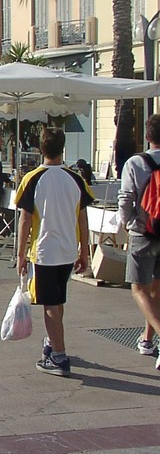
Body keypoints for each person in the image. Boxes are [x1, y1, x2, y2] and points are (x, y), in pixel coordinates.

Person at [16, 127, 93, 377]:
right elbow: (82, 218)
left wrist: (20, 254)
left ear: (41, 148)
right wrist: (84, 251)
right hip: (67, 249)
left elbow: (25, 220)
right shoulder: (76, 179)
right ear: (63, 148)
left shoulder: (33, 178)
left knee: (49, 303)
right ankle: (52, 342)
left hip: (44, 250)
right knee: (58, 300)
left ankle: (59, 357)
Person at [118, 113, 160, 371]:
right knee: (156, 290)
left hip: (143, 233)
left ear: (146, 136)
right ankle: (147, 340)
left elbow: (126, 198)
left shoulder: (136, 163)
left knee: (139, 290)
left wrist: (128, 222)